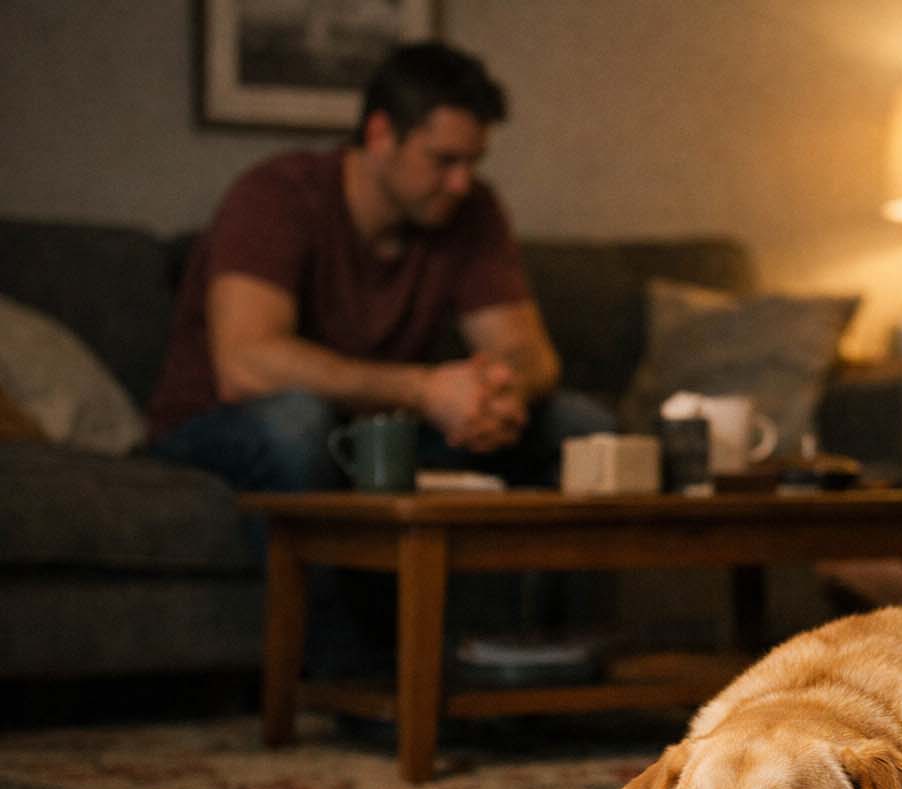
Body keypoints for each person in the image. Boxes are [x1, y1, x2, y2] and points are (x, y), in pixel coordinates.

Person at [148, 42, 613, 492]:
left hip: (387, 432)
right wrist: (424, 390)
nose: (461, 183)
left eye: (473, 162)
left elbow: (530, 355)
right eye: (444, 160)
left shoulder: (472, 209)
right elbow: (247, 366)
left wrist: (496, 393)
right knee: (299, 423)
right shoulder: (276, 195)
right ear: (380, 135)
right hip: (223, 427)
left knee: (582, 426)